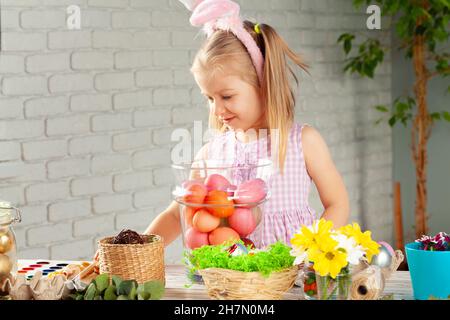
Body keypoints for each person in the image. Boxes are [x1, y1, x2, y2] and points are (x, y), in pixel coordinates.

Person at [143, 0, 349, 249]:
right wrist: (137, 248)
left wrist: (311, 251)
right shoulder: (210, 155)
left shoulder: (300, 141)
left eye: (227, 96)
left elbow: (337, 203)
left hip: (290, 278)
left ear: (263, 84)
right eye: (209, 98)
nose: (217, 109)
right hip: (232, 281)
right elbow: (178, 214)